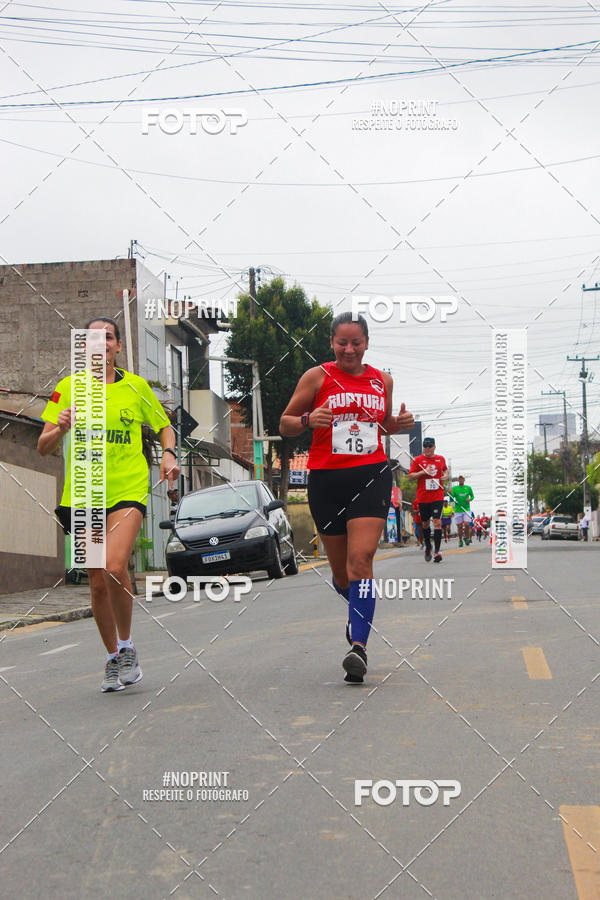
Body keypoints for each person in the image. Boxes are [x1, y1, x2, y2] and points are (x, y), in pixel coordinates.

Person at [38, 317, 179, 692]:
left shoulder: (136, 388)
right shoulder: (67, 390)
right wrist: (60, 428)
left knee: (116, 566)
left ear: (118, 346)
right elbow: (43, 445)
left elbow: (165, 426)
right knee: (97, 581)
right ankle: (113, 655)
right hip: (84, 493)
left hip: (128, 489)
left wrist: (167, 454)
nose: (101, 344)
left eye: (109, 338)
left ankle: (129, 645)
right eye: (92, 339)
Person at [279, 312, 414, 684]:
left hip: (371, 474)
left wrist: (396, 426)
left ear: (367, 343)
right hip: (326, 478)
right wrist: (309, 420)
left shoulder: (382, 380)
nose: (349, 349)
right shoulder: (317, 377)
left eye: (356, 342)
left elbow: (379, 424)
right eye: (343, 343)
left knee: (361, 560)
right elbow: (285, 422)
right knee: (342, 574)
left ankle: (359, 647)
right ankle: (357, 611)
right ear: (332, 344)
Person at [407, 438, 448, 563]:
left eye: (430, 446)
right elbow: (410, 476)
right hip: (423, 497)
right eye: (425, 446)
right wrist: (423, 472)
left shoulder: (440, 459)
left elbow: (445, 469)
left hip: (437, 496)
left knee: (437, 522)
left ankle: (437, 551)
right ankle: (428, 546)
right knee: (425, 523)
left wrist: (445, 475)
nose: (427, 449)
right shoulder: (418, 460)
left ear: (434, 447)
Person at [450, 475, 475, 547]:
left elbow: (472, 496)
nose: (461, 480)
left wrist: (469, 499)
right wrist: (450, 494)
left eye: (462, 479)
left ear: (464, 480)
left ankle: (467, 538)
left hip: (466, 509)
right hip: (458, 510)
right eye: (460, 479)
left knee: (467, 524)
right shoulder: (455, 488)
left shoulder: (468, 488)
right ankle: (460, 540)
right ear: (458, 480)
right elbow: (451, 499)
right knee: (459, 526)